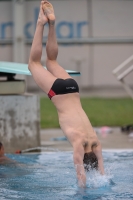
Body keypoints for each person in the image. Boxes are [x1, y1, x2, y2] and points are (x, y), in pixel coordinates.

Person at [28, 0, 104, 187]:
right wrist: (83, 188)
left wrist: (101, 173)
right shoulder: (79, 143)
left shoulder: (96, 142)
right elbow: (82, 175)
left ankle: (52, 24)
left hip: (72, 88)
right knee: (33, 63)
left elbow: (102, 167)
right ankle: (41, 23)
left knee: (52, 61)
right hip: (59, 92)